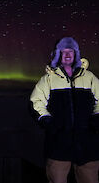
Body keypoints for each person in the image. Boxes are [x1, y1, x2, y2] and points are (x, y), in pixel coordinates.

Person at [30, 37, 99, 183]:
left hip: (87, 143)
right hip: (58, 144)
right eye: (63, 52)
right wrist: (48, 122)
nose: (67, 55)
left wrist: (96, 118)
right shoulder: (48, 79)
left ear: (76, 54)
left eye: (71, 51)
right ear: (57, 55)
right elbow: (36, 102)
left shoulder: (89, 77)